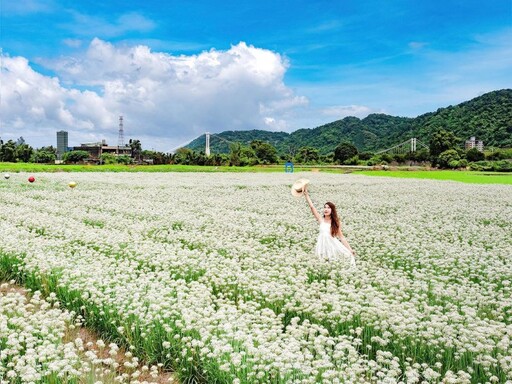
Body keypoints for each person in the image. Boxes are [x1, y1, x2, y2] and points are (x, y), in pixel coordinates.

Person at [303, 185, 356, 266]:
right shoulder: (321, 220)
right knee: (321, 263)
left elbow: (341, 237)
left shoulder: (335, 223)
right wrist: (306, 195)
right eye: (325, 207)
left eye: (328, 208)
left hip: (331, 245)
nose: (326, 209)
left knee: (332, 262)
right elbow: (312, 207)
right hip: (321, 244)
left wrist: (350, 249)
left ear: (332, 210)